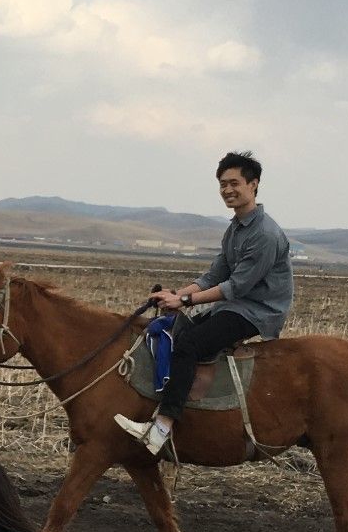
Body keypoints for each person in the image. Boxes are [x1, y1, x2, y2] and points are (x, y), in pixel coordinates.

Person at [116, 150, 292, 455]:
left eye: (234, 183)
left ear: (254, 184)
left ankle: (161, 429)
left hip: (257, 312)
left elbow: (235, 287)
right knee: (172, 332)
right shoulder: (235, 229)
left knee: (190, 345)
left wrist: (185, 299)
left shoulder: (265, 234)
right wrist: (175, 296)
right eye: (223, 184)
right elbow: (214, 274)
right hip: (234, 306)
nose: (227, 190)